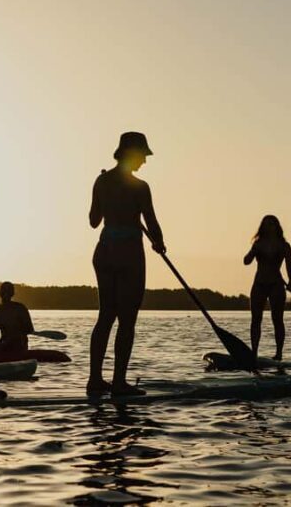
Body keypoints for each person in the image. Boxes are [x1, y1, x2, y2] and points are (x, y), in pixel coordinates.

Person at [87, 131, 165, 396]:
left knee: (106, 316)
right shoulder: (140, 187)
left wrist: (106, 196)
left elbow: (93, 220)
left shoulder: (101, 181)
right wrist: (159, 243)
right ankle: (118, 383)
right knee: (127, 319)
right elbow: (151, 221)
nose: (144, 161)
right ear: (132, 154)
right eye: (143, 155)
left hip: (105, 249)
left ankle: (95, 380)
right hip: (129, 253)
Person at [244, 215, 291, 361]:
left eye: (272, 224)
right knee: (256, 319)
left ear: (277, 227)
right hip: (259, 284)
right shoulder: (258, 244)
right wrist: (253, 251)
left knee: (277, 319)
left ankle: (279, 353)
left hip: (276, 285)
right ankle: (254, 353)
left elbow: (289, 265)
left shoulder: (284, 246)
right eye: (267, 224)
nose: (270, 227)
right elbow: (246, 261)